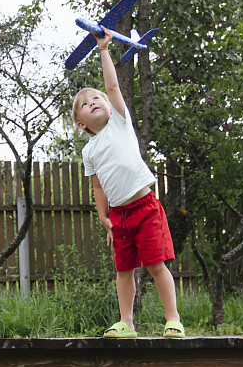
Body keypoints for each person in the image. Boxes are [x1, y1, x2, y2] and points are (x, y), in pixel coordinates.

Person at [71, 26, 184, 338]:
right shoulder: (89, 149)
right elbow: (97, 186)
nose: (93, 101)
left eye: (96, 98)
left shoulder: (120, 124)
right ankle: (126, 322)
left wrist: (104, 50)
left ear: (109, 106)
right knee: (123, 271)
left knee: (156, 265)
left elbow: (112, 87)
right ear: (82, 123)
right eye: (85, 103)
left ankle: (172, 318)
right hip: (120, 217)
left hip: (145, 207)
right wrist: (104, 217)